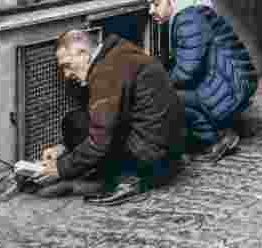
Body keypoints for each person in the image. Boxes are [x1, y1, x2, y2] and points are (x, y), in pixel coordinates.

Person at [33, 29, 186, 205]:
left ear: (83, 53)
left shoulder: (106, 73)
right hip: (171, 150)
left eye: (67, 65)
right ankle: (109, 173)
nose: (67, 74)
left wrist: (60, 168)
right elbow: (118, 117)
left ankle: (129, 180)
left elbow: (100, 142)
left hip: (151, 159)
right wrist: (63, 149)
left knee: (75, 124)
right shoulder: (119, 51)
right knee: (80, 121)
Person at [148, 0, 259, 162]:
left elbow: (187, 70)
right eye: (150, 5)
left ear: (174, 0)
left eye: (156, 3)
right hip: (236, 79)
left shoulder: (187, 18)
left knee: (169, 96)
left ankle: (217, 139)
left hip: (234, 83)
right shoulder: (192, 11)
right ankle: (228, 123)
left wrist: (157, 83)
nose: (151, 10)